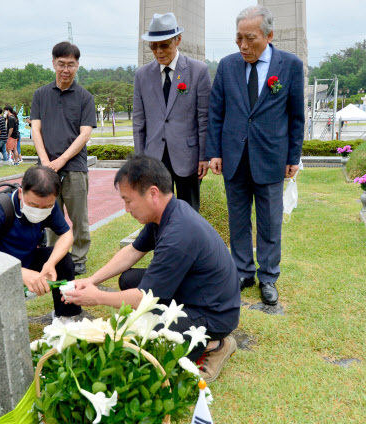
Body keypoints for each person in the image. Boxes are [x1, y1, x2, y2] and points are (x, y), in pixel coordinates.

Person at [66, 156, 239, 382]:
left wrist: (97, 297)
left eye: (128, 201)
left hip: (214, 314)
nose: (126, 209)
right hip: (192, 291)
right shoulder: (167, 212)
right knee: (128, 280)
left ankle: (215, 344)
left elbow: (142, 297)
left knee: (147, 340)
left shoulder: (179, 233)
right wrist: (92, 281)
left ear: (153, 193)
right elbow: (132, 251)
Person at [206, 6, 304, 305]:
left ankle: (269, 276)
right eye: (239, 39)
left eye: (250, 39)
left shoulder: (289, 65)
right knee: (238, 220)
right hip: (234, 157)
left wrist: (293, 156)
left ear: (269, 35)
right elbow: (216, 113)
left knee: (270, 222)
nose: (244, 46)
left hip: (272, 157)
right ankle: (242, 272)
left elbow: (296, 116)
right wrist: (214, 152)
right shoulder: (227, 66)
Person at [0, 165, 82, 320]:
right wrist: (20, 273)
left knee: (63, 261)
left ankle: (66, 318)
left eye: (47, 206)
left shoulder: (49, 206)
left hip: (28, 258)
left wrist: (50, 263)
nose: (40, 210)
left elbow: (66, 234)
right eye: (33, 205)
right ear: (20, 193)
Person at [133, 12, 211, 212]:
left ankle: (188, 245)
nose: (158, 51)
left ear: (178, 40)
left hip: (189, 158)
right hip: (154, 160)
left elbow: (204, 119)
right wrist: (141, 161)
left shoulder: (198, 71)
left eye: (164, 45)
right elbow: (139, 122)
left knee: (189, 214)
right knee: (158, 214)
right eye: (153, 46)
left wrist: (204, 157)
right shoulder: (142, 75)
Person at [31, 41, 96, 276]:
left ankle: (79, 257)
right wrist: (46, 162)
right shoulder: (40, 95)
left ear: (78, 65)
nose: (66, 69)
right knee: (47, 216)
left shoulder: (85, 97)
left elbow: (85, 134)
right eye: (61, 64)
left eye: (71, 64)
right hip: (45, 169)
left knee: (79, 216)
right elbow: (35, 129)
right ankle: (52, 256)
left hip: (75, 167)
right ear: (53, 64)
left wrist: (61, 161)